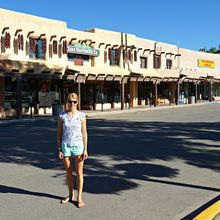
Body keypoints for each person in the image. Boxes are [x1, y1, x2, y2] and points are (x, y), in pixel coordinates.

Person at [57, 93, 88, 208]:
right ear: (67, 102)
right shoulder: (62, 116)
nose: (72, 104)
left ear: (77, 102)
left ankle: (79, 197)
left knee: (79, 173)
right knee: (69, 172)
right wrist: (59, 149)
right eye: (70, 101)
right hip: (66, 147)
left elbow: (84, 133)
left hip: (79, 147)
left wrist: (85, 149)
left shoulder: (81, 116)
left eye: (74, 102)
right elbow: (59, 134)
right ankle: (71, 195)